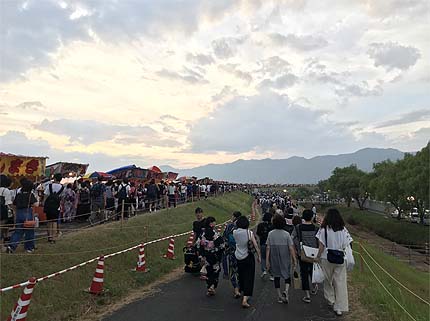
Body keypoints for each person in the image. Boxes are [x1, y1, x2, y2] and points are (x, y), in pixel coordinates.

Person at [315, 208, 353, 316]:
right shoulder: (343, 230)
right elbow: (348, 243)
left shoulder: (323, 230)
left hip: (326, 258)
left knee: (328, 280)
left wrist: (317, 257)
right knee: (340, 283)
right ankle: (339, 307)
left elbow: (321, 246)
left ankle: (330, 299)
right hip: (340, 258)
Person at [266, 213, 297, 304]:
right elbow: (291, 248)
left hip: (274, 257)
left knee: (276, 276)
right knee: (287, 275)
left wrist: (267, 261)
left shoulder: (270, 234)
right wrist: (294, 260)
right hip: (285, 257)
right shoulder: (286, 234)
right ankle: (286, 291)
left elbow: (268, 248)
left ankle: (279, 295)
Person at [233, 216, 261, 308]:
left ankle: (241, 290)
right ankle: (245, 298)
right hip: (248, 256)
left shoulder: (235, 232)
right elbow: (256, 245)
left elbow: (233, 225)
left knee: (241, 275)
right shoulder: (249, 233)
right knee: (249, 276)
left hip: (238, 256)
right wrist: (259, 256)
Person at [291, 209, 319, 303]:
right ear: (312, 217)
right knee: (313, 271)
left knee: (304, 273)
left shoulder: (298, 227)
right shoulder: (316, 228)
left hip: (302, 254)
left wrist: (296, 248)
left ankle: (307, 295)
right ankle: (314, 287)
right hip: (314, 254)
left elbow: (292, 238)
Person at [7, 178, 38, 253]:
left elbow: (14, 204)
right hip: (27, 213)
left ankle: (11, 246)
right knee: (29, 231)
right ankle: (29, 247)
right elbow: (36, 204)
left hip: (19, 213)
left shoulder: (18, 195)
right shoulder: (30, 195)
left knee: (18, 231)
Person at [196, 216, 225, 296]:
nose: (215, 223)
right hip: (214, 255)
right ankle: (212, 286)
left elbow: (198, 244)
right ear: (211, 223)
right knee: (215, 271)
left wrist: (201, 254)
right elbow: (221, 245)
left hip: (206, 255)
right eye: (214, 222)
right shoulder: (214, 233)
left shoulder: (203, 233)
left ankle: (209, 287)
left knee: (208, 271)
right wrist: (217, 250)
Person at [222, 211, 242, 298]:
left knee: (233, 270)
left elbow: (225, 237)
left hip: (232, 251)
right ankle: (240, 287)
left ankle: (236, 288)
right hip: (242, 252)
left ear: (234, 217)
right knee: (241, 270)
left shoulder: (229, 226)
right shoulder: (242, 226)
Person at [44, 173, 64, 243]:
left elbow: (45, 196)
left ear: (54, 178)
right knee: (55, 221)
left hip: (49, 206)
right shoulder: (62, 187)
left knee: (49, 221)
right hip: (57, 206)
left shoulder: (49, 186)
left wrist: (44, 204)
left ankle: (49, 237)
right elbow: (62, 198)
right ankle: (53, 237)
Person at [256, 212, 273, 278]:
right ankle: (271, 274)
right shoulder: (272, 225)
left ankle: (264, 270)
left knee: (263, 257)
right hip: (271, 244)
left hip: (263, 243)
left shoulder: (260, 225)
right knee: (271, 258)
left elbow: (258, 233)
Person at [0, 175, 13, 249]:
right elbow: (9, 203)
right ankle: (1, 246)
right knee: (2, 229)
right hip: (3, 212)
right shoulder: (6, 190)